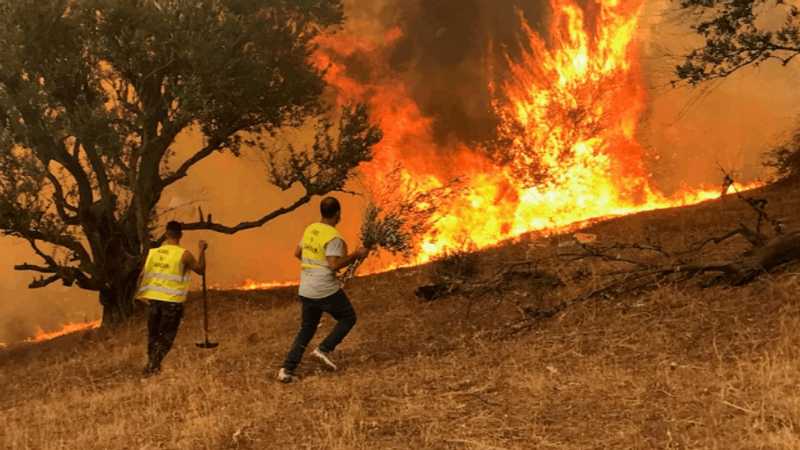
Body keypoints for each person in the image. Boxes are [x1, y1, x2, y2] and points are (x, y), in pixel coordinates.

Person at [278, 197, 369, 383]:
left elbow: (298, 253)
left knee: (307, 329)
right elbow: (334, 264)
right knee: (348, 317)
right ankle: (323, 349)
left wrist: (315, 266)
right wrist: (357, 254)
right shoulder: (333, 237)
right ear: (338, 214)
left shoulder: (311, 229)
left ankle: (286, 370)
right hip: (324, 288)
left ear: (322, 212)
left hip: (306, 288)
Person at [137, 221, 207, 377]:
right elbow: (200, 270)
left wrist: (139, 295)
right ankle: (152, 366)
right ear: (180, 235)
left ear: (166, 234)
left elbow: (142, 275)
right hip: (172, 302)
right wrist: (201, 250)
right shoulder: (184, 254)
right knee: (167, 336)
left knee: (153, 335)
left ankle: (152, 365)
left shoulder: (153, 253)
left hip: (154, 300)